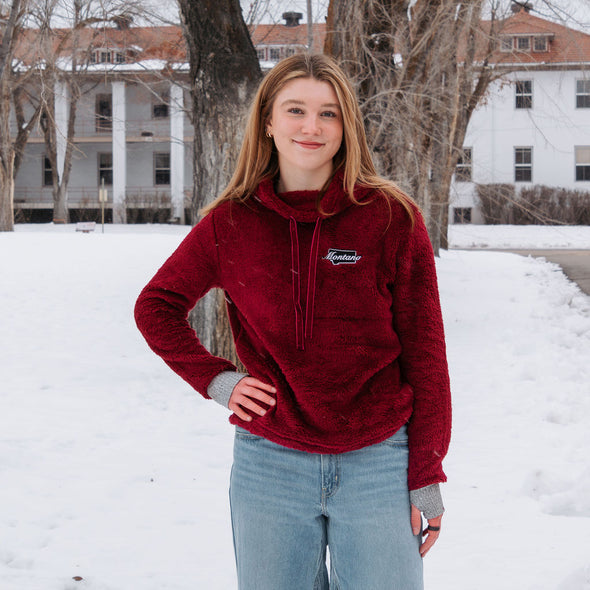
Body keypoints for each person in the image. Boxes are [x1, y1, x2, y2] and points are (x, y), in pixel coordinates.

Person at [135, 53, 451, 590]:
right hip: (270, 464)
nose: (311, 127)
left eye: (328, 114)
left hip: (377, 460)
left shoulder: (391, 217)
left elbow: (425, 354)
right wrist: (217, 379)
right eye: (296, 110)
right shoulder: (230, 222)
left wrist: (426, 471)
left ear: (346, 125)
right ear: (268, 121)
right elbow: (156, 305)